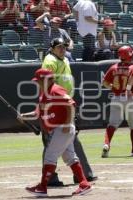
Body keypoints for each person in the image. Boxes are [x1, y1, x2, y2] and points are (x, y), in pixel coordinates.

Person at [21, 68, 92, 196]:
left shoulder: (55, 90)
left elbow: (70, 104)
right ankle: (84, 184)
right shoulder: (43, 93)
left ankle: (42, 187)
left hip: (62, 128)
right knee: (70, 157)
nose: (38, 83)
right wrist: (23, 116)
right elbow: (37, 112)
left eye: (40, 81)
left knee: (50, 156)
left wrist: (67, 123)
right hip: (58, 129)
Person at [42, 37, 97, 184]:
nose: (62, 49)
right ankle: (51, 178)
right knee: (52, 142)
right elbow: (47, 83)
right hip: (56, 104)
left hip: (66, 102)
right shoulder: (50, 61)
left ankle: (83, 174)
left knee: (71, 139)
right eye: (59, 47)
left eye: (64, 46)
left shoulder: (65, 59)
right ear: (52, 48)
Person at [101, 45, 133, 158]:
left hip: (116, 97)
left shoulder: (113, 67)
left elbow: (105, 83)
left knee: (112, 124)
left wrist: (113, 87)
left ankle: (106, 144)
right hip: (129, 97)